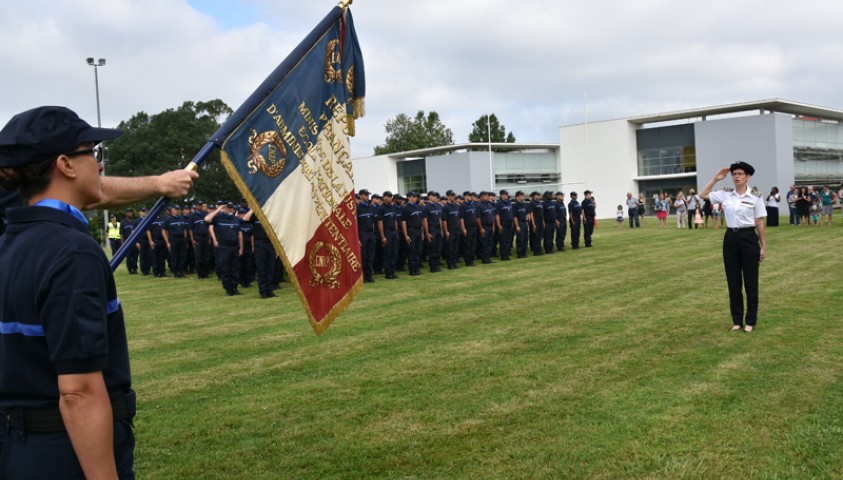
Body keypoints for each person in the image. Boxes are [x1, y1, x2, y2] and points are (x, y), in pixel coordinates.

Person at [0, 106, 157, 478]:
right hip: (64, 450)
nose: (100, 166)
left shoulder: (10, 243)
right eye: (93, 153)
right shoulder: (71, 251)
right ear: (66, 165)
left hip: (17, 446)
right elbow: (79, 391)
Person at [701, 161, 767, 333]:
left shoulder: (755, 196)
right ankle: (737, 320)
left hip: (748, 238)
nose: (736, 177)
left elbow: (759, 222)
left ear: (747, 177)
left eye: (739, 174)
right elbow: (703, 194)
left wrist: (763, 246)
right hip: (731, 238)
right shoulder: (725, 194)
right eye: (734, 174)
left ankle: (750, 321)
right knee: (733, 281)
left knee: (751, 281)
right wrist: (716, 178)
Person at [207, 202, 244, 296]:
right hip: (224, 247)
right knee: (225, 269)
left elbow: (240, 235)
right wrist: (218, 209)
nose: (230, 209)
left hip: (234, 246)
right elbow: (207, 219)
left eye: (232, 208)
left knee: (235, 269)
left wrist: (241, 248)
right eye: (228, 208)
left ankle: (235, 288)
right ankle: (228, 289)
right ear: (225, 208)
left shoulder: (236, 219)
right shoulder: (219, 218)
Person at [244, 209, 277, 298]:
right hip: (260, 243)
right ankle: (263, 292)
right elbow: (245, 219)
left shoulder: (272, 216)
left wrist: (277, 249)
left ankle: (270, 291)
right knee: (261, 268)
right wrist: (253, 209)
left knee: (270, 269)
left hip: (271, 244)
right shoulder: (256, 216)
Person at [378, 191, 401, 278]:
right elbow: (380, 223)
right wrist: (383, 236)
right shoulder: (381, 208)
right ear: (384, 197)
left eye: (391, 196)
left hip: (393, 232)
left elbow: (395, 221)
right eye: (388, 196)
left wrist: (396, 232)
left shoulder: (392, 207)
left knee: (394, 253)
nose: (390, 198)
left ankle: (393, 271)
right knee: (388, 253)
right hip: (387, 232)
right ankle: (388, 273)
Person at [163, 204, 189, 278]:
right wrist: (167, 242)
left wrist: (185, 239)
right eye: (176, 209)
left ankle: (181, 271)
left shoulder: (182, 218)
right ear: (173, 210)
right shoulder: (168, 219)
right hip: (173, 239)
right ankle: (175, 272)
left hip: (182, 239)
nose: (178, 211)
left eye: (179, 209)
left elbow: (184, 229)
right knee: (174, 256)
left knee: (182, 256)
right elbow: (164, 230)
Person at [401, 191, 424, 276]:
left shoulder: (418, 207)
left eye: (416, 197)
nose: (415, 198)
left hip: (418, 231)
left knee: (418, 251)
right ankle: (412, 270)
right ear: (409, 198)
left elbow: (420, 221)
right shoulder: (406, 208)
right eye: (413, 197)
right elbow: (403, 222)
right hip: (411, 231)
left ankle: (417, 268)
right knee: (412, 251)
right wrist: (406, 235)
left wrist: (422, 232)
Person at [356, 189, 376, 283]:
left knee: (370, 256)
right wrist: (357, 238)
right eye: (365, 195)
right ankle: (363, 277)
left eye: (368, 195)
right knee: (363, 256)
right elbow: (355, 224)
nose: (367, 196)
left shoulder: (371, 207)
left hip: (370, 233)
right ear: (360, 196)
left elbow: (372, 222)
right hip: (362, 234)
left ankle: (369, 276)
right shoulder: (357, 208)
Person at [423, 191, 444, 272]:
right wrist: (427, 232)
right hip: (431, 229)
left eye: (436, 196)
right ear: (429, 197)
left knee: (438, 248)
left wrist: (441, 230)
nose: (435, 197)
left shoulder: (438, 206)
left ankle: (437, 265)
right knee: (432, 248)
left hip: (438, 229)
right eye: (433, 196)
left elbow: (440, 219)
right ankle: (432, 267)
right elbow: (425, 220)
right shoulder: (426, 207)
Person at [495, 189, 514, 261]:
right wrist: (499, 225)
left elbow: (511, 213)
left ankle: (507, 254)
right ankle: (503, 255)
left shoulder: (509, 202)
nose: (507, 196)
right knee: (503, 241)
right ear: (502, 195)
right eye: (505, 194)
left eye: (507, 194)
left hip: (509, 223)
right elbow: (497, 215)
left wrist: (512, 222)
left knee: (508, 240)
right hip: (503, 224)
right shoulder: (499, 203)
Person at [120, 208, 138, 274]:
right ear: (126, 213)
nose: (130, 213)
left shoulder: (134, 221)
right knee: (129, 257)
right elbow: (121, 234)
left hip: (134, 241)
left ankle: (135, 269)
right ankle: (130, 269)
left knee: (135, 256)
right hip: (127, 242)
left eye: (131, 212)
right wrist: (122, 244)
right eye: (128, 212)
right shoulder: (123, 222)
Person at [513, 191, 529, 259]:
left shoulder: (524, 204)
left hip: (525, 222)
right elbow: (515, 216)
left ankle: (524, 252)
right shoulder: (515, 205)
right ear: (517, 197)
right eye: (521, 196)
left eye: (523, 195)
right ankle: (519, 253)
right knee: (520, 239)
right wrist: (517, 226)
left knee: (525, 238)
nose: (523, 197)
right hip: (519, 222)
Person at [137, 207, 153, 275]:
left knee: (149, 255)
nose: (144, 213)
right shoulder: (137, 221)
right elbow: (134, 232)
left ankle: (148, 269)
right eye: (142, 211)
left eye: (145, 211)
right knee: (143, 256)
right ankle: (143, 270)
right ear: (139, 212)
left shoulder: (148, 220)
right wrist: (136, 242)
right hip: (141, 240)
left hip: (148, 240)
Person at [528, 191, 544, 256]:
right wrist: (533, 223)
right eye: (537, 195)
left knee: (540, 236)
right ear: (534, 196)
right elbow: (531, 214)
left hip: (540, 221)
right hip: (536, 220)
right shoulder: (532, 203)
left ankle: (539, 249)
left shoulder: (540, 203)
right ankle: (536, 251)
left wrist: (543, 221)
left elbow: (542, 213)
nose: (539, 196)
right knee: (536, 236)